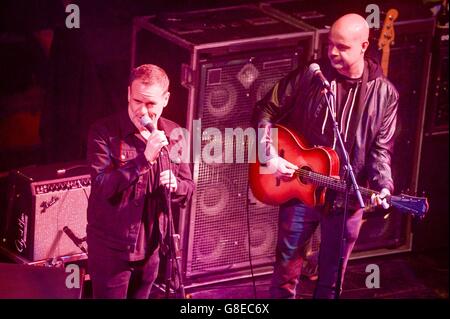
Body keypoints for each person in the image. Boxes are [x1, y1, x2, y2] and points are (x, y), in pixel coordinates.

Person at [252, 13, 398, 299]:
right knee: (285, 273)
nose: (332, 52)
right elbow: (265, 109)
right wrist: (268, 154)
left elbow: (382, 149)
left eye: (342, 47)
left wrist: (384, 186)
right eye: (331, 44)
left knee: (331, 281)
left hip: (345, 197)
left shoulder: (384, 94)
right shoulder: (312, 75)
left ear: (364, 46)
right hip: (301, 186)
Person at [86, 64, 194, 299]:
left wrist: (176, 186)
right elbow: (102, 186)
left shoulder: (175, 134)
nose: (142, 111)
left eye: (151, 104)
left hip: (151, 248)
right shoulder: (103, 132)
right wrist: (144, 160)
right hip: (112, 249)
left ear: (165, 99)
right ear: (128, 94)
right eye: (136, 101)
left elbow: (188, 187)